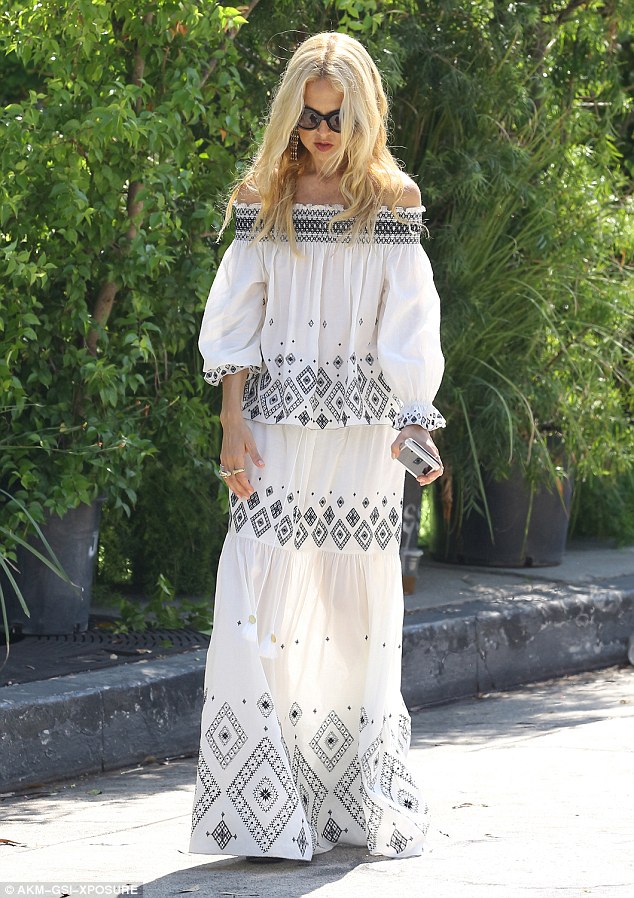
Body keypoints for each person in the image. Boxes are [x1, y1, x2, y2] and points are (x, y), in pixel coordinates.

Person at [188, 31, 445, 863]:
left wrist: (416, 418)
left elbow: (411, 320)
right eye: (309, 117)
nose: (322, 133)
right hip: (273, 430)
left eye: (336, 118)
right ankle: (263, 810)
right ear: (290, 115)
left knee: (351, 613)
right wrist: (231, 424)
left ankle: (346, 800)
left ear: (363, 114)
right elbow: (238, 317)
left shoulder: (393, 199)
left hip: (365, 440)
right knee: (256, 591)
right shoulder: (265, 193)